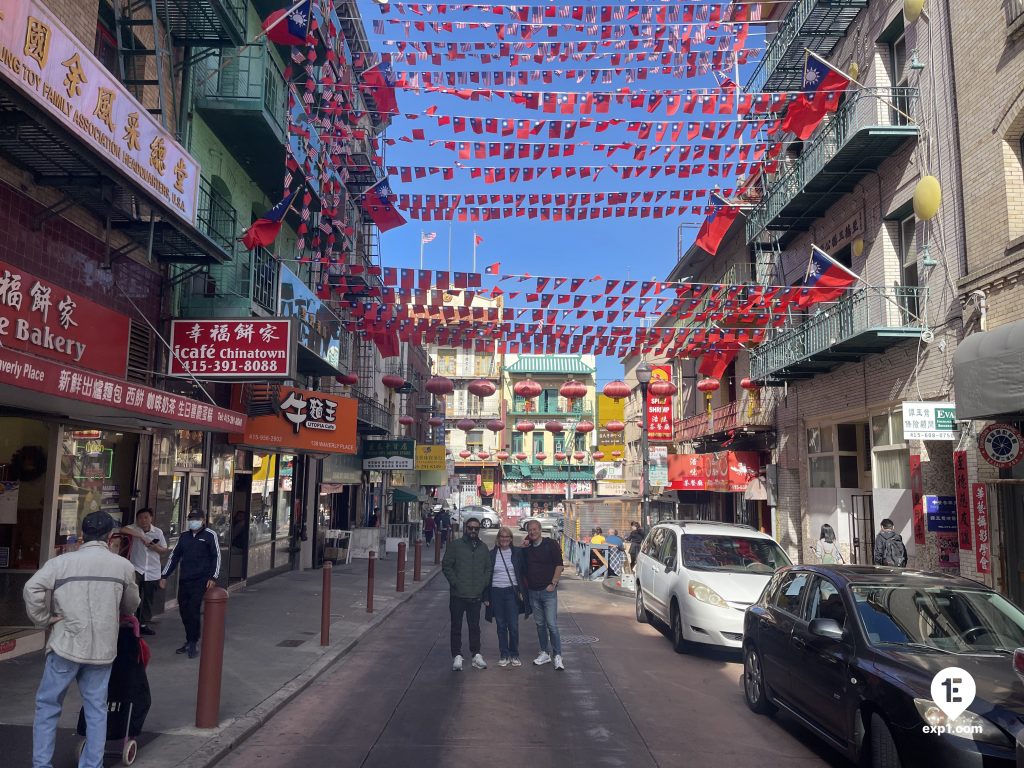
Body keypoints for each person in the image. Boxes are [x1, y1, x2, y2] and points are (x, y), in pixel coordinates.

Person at [24, 511, 140, 768]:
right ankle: (91, 765)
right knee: (96, 709)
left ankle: (42, 764)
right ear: (110, 536)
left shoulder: (61, 563)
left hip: (66, 644)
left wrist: (43, 618)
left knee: (47, 706)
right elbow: (131, 604)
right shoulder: (122, 566)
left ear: (82, 534)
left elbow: (32, 588)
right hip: (102, 648)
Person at [159, 509, 220, 658]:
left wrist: (213, 577)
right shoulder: (184, 537)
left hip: (201, 580)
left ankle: (193, 641)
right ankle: (189, 639)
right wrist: (164, 575)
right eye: (191, 519)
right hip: (185, 579)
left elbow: (216, 557)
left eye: (196, 519)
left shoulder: (210, 535)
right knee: (184, 611)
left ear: (203, 520)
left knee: (193, 610)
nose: (194, 522)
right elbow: (174, 556)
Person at [441, 516, 491, 671]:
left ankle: (476, 654)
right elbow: (446, 565)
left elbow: (488, 569)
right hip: (458, 595)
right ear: (465, 528)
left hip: (475, 595)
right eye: (470, 528)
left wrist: (482, 584)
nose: (473, 531)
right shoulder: (456, 545)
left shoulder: (483, 547)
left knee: (474, 626)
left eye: (476, 528)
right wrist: (455, 583)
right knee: (456, 626)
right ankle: (457, 655)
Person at [522, 519, 565, 670]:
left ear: (540, 530)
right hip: (533, 592)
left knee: (551, 624)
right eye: (530, 530)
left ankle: (557, 655)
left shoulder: (550, 544)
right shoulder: (527, 549)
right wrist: (525, 544)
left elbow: (559, 564)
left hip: (548, 592)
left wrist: (553, 583)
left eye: (535, 529)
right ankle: (544, 652)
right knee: (540, 624)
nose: (532, 532)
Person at [485, 526, 530, 667]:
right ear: (498, 539)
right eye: (502, 536)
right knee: (501, 625)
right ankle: (504, 654)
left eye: (507, 537)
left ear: (511, 539)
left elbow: (526, 566)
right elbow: (486, 576)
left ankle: (514, 654)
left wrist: (526, 543)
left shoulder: (517, 553)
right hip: (496, 592)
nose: (504, 539)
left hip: (512, 592)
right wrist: (485, 597)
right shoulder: (492, 554)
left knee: (513, 625)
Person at [120, 507, 168, 636]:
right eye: (140, 518)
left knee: (148, 598)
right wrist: (141, 535)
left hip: (152, 570)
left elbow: (164, 550)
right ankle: (131, 621)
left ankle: (144, 623)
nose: (143, 520)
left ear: (151, 518)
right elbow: (122, 529)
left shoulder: (157, 532)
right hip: (136, 568)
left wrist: (155, 547)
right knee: (133, 596)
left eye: (146, 517)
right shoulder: (134, 528)